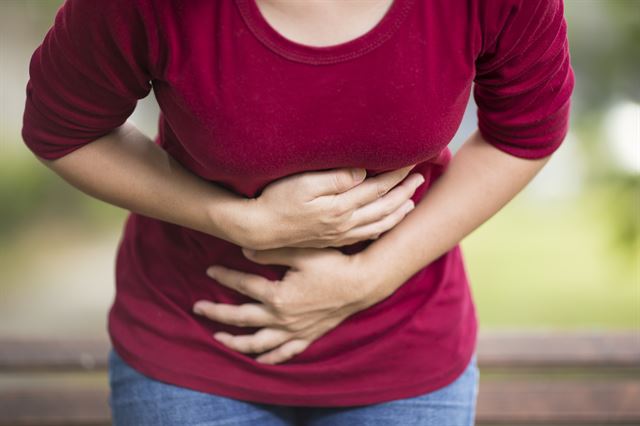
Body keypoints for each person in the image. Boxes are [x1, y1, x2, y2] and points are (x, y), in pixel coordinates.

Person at [21, 0, 574, 424]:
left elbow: (525, 131)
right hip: (193, 347)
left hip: (403, 349)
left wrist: (367, 277)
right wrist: (237, 220)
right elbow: (64, 129)